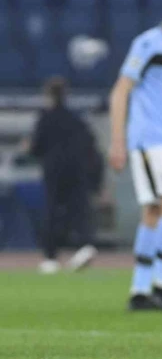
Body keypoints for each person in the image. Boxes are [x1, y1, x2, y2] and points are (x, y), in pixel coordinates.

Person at [108, 0, 162, 312]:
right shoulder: (148, 44)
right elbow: (120, 91)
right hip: (149, 140)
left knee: (154, 212)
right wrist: (117, 140)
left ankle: (140, 290)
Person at [30, 77, 99, 274]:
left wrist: (29, 147)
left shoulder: (46, 118)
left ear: (49, 95)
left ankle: (51, 258)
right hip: (77, 170)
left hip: (54, 171)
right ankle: (84, 245)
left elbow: (36, 147)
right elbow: (90, 143)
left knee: (51, 212)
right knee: (79, 209)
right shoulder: (76, 118)